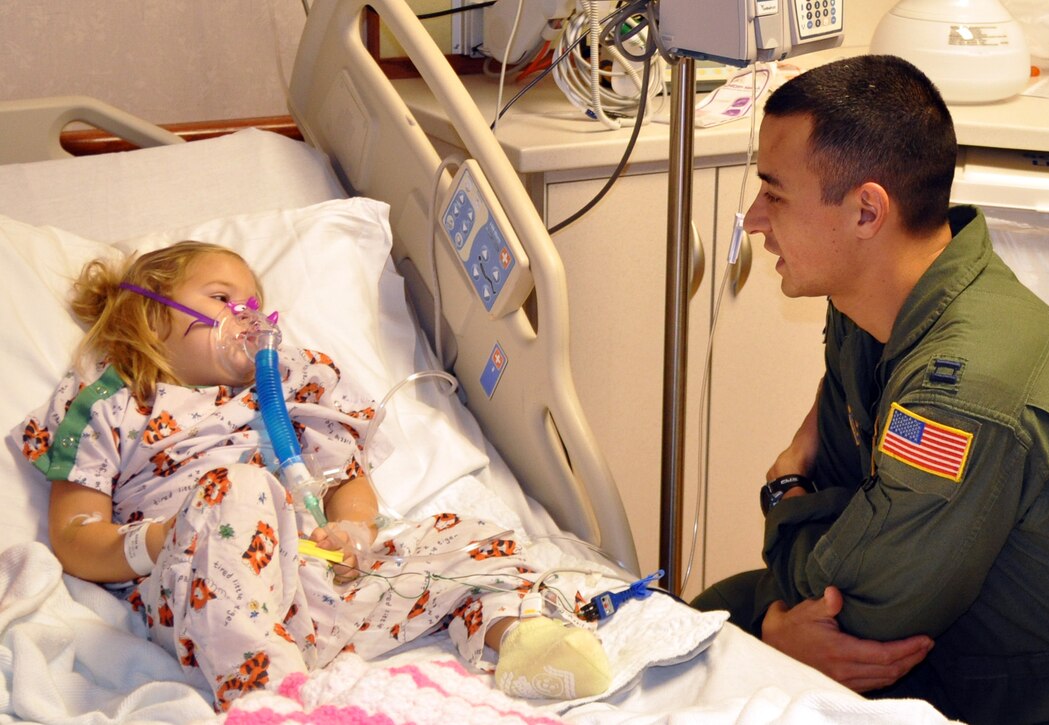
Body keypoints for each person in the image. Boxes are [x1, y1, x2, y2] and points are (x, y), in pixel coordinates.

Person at [14, 240, 611, 711]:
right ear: (151, 311)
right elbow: (74, 535)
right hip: (202, 588)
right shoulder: (110, 401)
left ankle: (517, 638)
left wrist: (352, 534)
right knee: (240, 489)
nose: (246, 316)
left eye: (253, 303)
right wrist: (157, 540)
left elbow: (347, 479)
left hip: (317, 584)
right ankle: (272, 699)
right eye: (223, 298)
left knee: (467, 534)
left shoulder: (291, 387)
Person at [691, 55, 1049, 723]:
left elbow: (863, 610)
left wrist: (784, 490)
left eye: (775, 193)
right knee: (700, 616)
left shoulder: (962, 398)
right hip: (946, 631)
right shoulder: (868, 309)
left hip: (1023, 696)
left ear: (867, 212)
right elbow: (846, 497)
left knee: (711, 651)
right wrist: (781, 622)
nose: (755, 220)